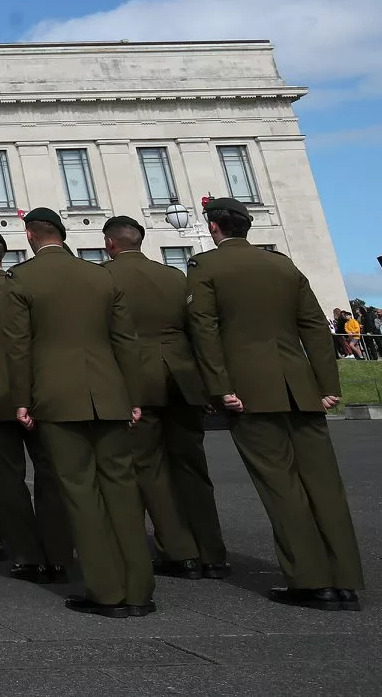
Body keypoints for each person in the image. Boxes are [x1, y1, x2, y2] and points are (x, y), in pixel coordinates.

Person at [187, 198, 364, 609]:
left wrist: (219, 386)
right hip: (299, 387)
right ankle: (345, 579)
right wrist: (326, 384)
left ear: (214, 227)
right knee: (324, 484)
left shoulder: (205, 267)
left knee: (280, 484)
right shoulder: (283, 265)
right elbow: (315, 326)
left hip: (249, 389)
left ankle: (310, 580)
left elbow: (204, 329)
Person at [5, 208, 152, 618]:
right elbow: (126, 341)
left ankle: (105, 590)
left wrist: (21, 398)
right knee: (122, 490)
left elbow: (19, 347)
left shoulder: (23, 279)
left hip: (56, 395)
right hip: (109, 393)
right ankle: (139, 589)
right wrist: (133, 396)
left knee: (80, 492)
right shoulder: (102, 275)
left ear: (31, 235)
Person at [100, 217, 229, 579]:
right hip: (182, 376)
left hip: (137, 378)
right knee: (191, 464)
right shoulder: (174, 276)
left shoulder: (104, 277)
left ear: (110, 243)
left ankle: (179, 550)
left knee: (149, 466)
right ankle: (212, 552)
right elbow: (198, 329)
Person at [0, 230, 73, 583]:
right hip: (37, 392)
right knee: (50, 473)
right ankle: (57, 553)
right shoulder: (26, 281)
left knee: (7, 479)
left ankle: (26, 554)